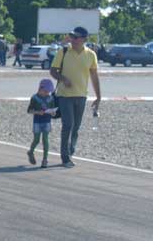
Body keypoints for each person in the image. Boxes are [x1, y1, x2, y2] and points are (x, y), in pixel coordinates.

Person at [50, 26, 102, 167]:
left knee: (76, 127)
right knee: (68, 125)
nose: (73, 39)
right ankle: (65, 158)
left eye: (76, 37)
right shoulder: (64, 51)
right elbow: (53, 71)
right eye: (72, 36)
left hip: (81, 96)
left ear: (84, 39)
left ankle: (70, 151)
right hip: (64, 95)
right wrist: (63, 78)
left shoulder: (91, 55)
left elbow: (94, 76)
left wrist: (98, 96)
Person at [27, 78, 58, 168]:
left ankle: (45, 160)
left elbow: (53, 110)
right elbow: (29, 110)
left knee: (45, 139)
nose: (47, 93)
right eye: (45, 91)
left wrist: (53, 113)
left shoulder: (50, 98)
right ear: (40, 88)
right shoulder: (34, 98)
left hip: (47, 121)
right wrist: (37, 112)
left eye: (48, 92)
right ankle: (31, 152)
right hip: (37, 122)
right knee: (36, 140)